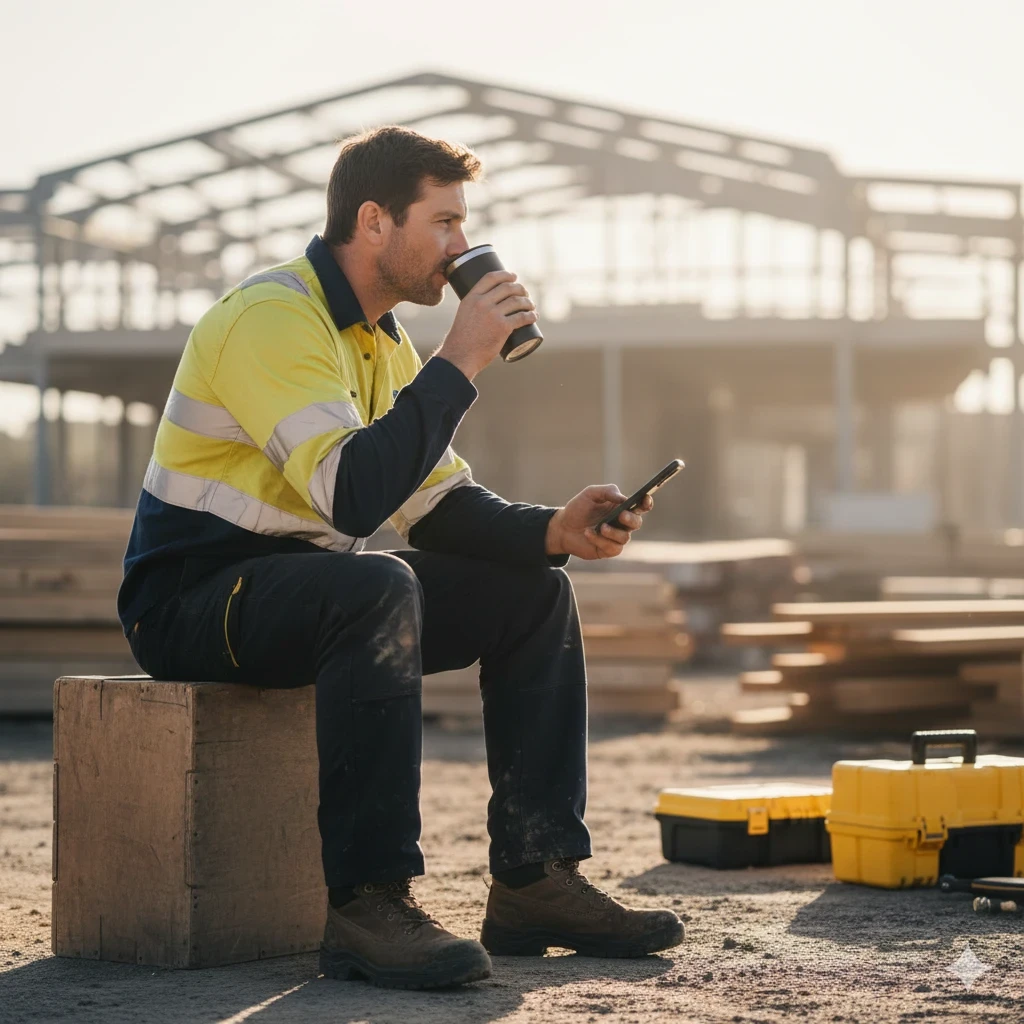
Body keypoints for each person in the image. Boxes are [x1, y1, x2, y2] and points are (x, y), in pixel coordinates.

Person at [119, 125, 685, 990]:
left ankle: (535, 877)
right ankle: (367, 904)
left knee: (531, 592)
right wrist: (461, 359)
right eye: (446, 222)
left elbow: (435, 503)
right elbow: (351, 497)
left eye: (465, 226)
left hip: (303, 589)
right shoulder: (274, 318)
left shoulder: (381, 344)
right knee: (374, 587)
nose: (462, 246)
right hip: (195, 601)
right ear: (375, 221)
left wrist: (554, 531)